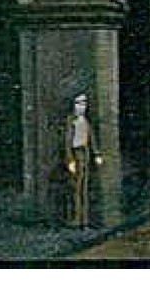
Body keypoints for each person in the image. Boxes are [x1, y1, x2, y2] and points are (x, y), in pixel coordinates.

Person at [63, 92, 103, 228]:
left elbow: (91, 138)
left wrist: (96, 154)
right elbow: (67, 141)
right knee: (76, 188)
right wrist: (70, 160)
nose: (82, 107)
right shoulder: (71, 121)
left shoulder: (86, 121)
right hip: (76, 153)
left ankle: (84, 220)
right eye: (79, 103)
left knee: (84, 189)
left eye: (84, 104)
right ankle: (75, 219)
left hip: (85, 153)